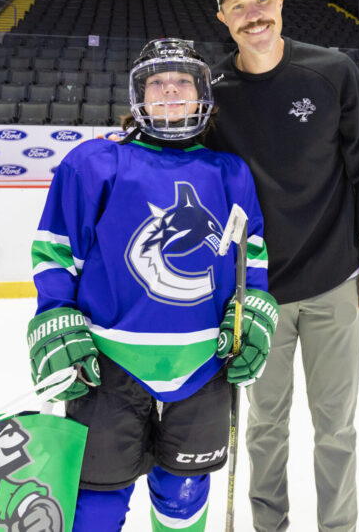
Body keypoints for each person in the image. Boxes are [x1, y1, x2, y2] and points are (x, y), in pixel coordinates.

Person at [26, 38, 280, 531]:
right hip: (107, 364)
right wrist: (55, 312)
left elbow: (251, 255)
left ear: (201, 94)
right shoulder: (94, 163)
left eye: (182, 81)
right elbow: (56, 249)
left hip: (204, 364)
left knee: (183, 494)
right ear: (138, 97)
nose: (169, 91)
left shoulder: (229, 171)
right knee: (97, 496)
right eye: (156, 83)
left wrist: (251, 314)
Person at [207, 0, 359, 531]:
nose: (253, 14)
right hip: (257, 292)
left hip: (335, 280)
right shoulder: (214, 91)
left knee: (336, 426)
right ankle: (270, 526)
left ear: (282, 2)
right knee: (265, 426)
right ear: (223, 18)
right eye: (238, 6)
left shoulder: (332, 71)